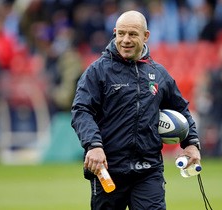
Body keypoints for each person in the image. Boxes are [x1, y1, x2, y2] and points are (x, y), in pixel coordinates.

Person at [71, 10, 201, 210]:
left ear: (146, 36)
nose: (125, 40)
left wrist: (191, 143)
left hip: (148, 170)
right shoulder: (97, 71)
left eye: (132, 34)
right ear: (114, 32)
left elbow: (181, 108)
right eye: (121, 33)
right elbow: (81, 110)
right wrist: (93, 145)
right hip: (108, 169)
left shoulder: (158, 74)